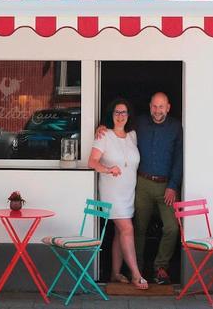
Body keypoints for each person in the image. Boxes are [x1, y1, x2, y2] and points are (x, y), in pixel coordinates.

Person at [97, 92, 183, 285]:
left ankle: (160, 268)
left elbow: (179, 158)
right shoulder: (139, 125)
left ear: (168, 107)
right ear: (149, 106)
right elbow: (119, 129)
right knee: (138, 229)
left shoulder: (176, 127)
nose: (157, 110)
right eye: (154, 106)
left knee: (171, 227)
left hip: (166, 186)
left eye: (161, 107)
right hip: (141, 184)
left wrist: (173, 186)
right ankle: (137, 268)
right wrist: (101, 128)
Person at [88, 98, 148, 290]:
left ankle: (115, 273)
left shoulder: (132, 136)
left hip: (128, 191)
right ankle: (136, 275)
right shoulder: (103, 135)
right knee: (127, 229)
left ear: (128, 116)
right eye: (117, 112)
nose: (120, 116)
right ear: (111, 115)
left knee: (119, 232)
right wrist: (107, 169)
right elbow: (92, 162)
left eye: (124, 113)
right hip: (112, 192)